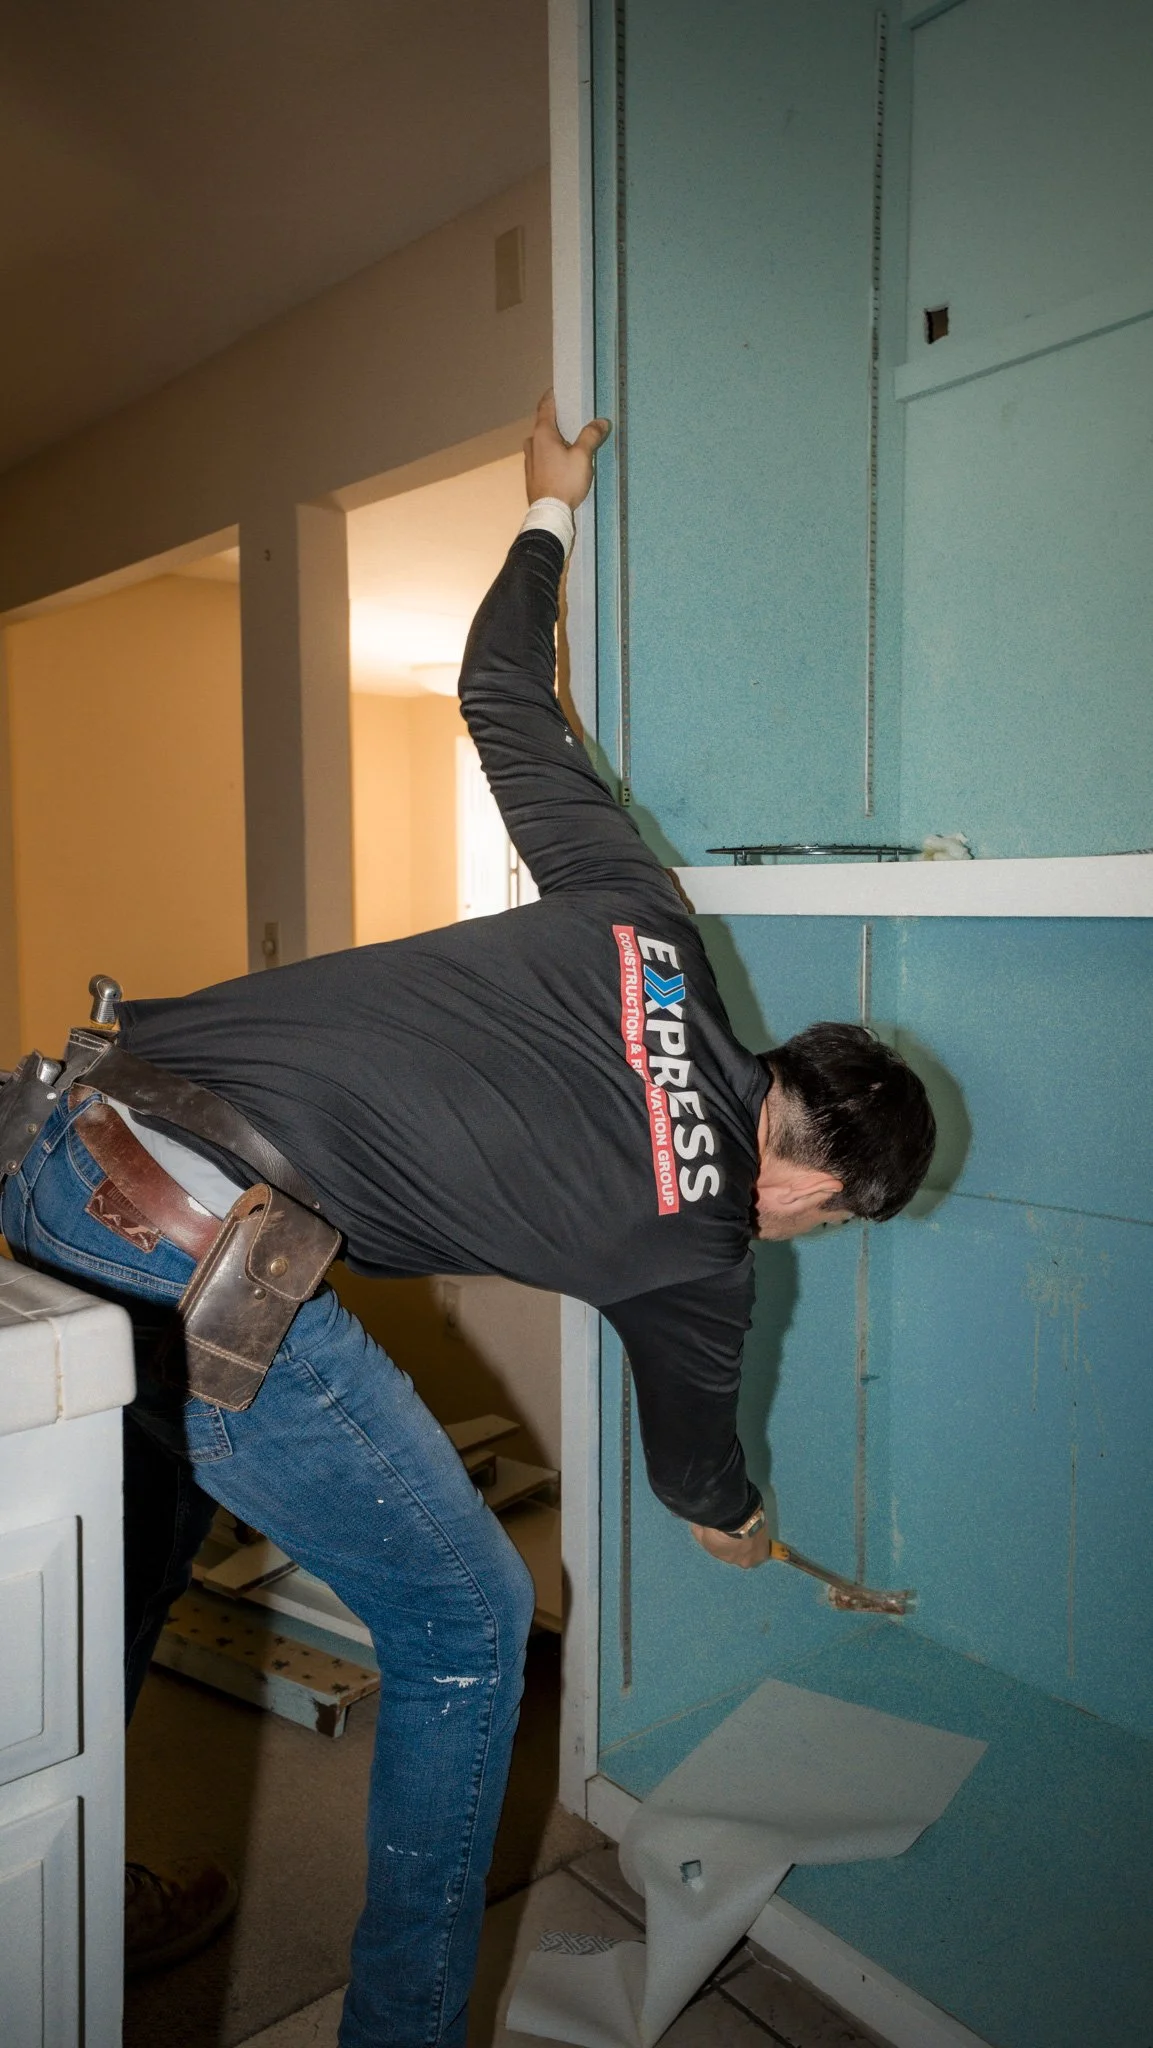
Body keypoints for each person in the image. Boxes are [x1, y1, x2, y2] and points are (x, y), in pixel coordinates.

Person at [0, 392, 935, 2044]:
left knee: (98, 1566)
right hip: (210, 1257)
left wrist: (547, 509)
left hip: (57, 1144)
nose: (793, 1236)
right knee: (467, 1616)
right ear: (812, 1181)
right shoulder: (706, 1248)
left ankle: (69, 1887)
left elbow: (502, 694)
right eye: (828, 1226)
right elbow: (695, 1468)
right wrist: (740, 1524)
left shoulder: (646, 923)